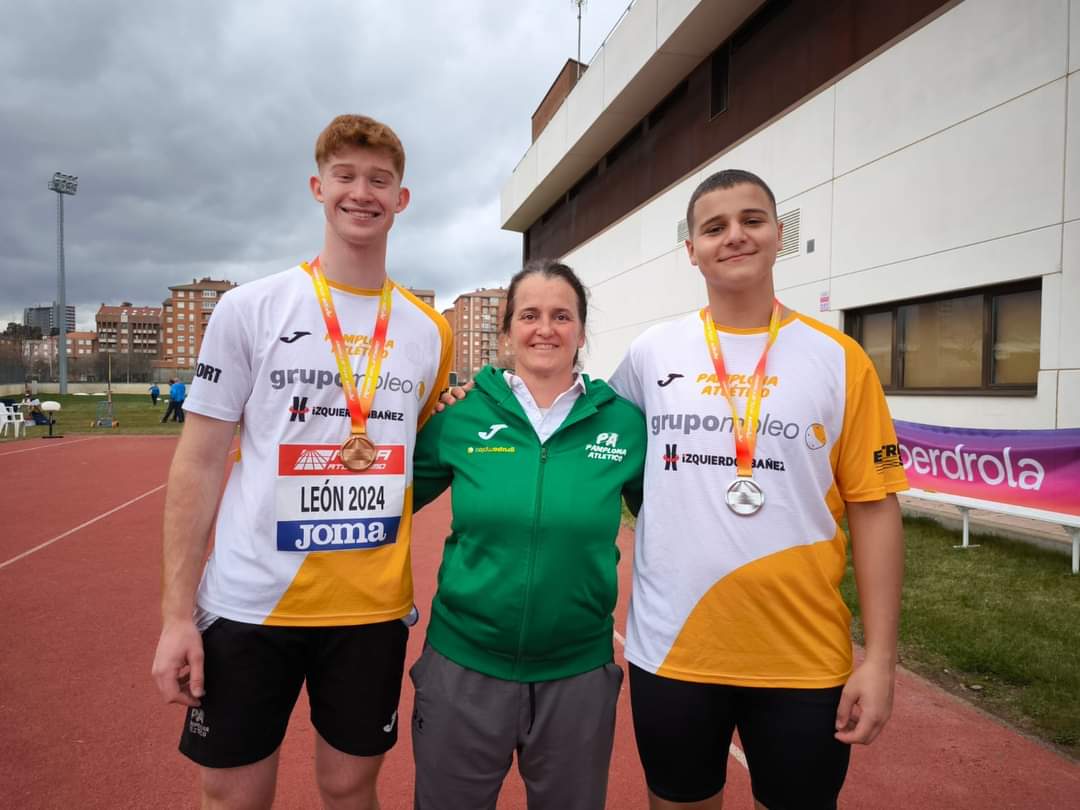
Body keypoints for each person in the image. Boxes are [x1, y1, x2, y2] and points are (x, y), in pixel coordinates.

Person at [150, 114, 452, 810]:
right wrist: (174, 618)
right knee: (230, 792)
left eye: (380, 180)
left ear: (401, 199)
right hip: (250, 602)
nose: (362, 192)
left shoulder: (429, 332)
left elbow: (418, 450)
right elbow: (197, 465)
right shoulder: (248, 309)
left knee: (350, 786)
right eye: (345, 176)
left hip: (369, 609)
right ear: (319, 187)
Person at [607, 169, 908, 810]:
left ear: (779, 235)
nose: (734, 236)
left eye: (752, 220)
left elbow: (876, 509)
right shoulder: (650, 354)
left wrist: (880, 660)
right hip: (674, 651)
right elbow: (594, 452)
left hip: (803, 657)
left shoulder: (840, 358)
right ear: (691, 250)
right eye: (713, 227)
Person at [410, 260, 646, 810]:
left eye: (562, 315)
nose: (545, 328)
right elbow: (389, 502)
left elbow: (675, 518)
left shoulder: (624, 424)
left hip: (578, 675)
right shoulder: (462, 415)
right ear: (507, 331)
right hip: (463, 668)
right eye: (530, 315)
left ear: (582, 332)